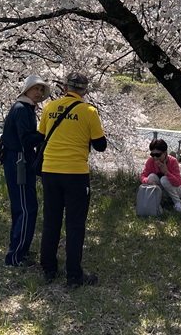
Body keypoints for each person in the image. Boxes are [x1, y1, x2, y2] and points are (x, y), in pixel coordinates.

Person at [38, 71, 107, 287]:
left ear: (65, 88)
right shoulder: (89, 111)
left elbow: (41, 137)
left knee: (51, 221)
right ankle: (74, 275)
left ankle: (48, 269)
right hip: (76, 173)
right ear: (85, 91)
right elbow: (101, 145)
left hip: (50, 170)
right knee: (75, 224)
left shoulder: (49, 108)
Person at [0, 75, 50, 267]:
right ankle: (15, 256)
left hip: (19, 159)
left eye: (41, 90)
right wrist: (44, 134)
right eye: (36, 89)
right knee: (26, 208)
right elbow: (26, 140)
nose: (39, 93)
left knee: (22, 206)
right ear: (26, 90)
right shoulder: (22, 109)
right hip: (19, 160)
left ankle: (20, 249)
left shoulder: (25, 108)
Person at [140, 138, 181, 212]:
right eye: (152, 154)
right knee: (151, 176)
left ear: (165, 153)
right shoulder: (151, 161)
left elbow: (177, 183)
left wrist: (166, 172)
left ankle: (177, 203)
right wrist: (148, 181)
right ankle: (157, 202)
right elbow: (143, 176)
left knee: (164, 179)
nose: (155, 157)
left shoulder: (173, 161)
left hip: (178, 190)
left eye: (158, 155)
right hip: (164, 190)